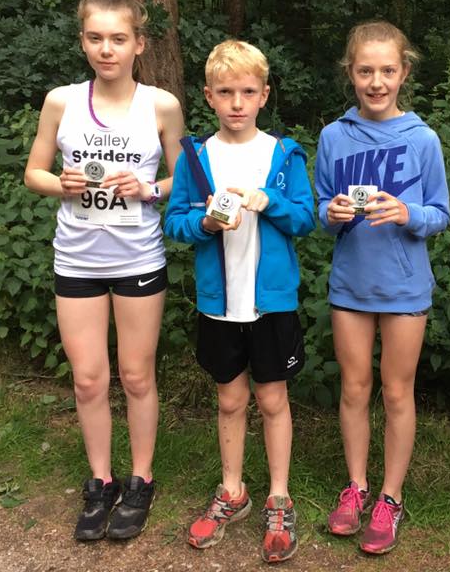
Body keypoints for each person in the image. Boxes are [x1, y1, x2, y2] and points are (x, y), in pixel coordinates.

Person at [24, 0, 183, 541]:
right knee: (89, 379)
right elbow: (34, 173)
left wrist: (147, 189)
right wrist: (60, 183)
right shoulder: (61, 101)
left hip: (138, 257)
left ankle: (141, 480)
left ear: (140, 44)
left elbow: (185, 181)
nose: (106, 49)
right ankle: (101, 481)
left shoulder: (161, 105)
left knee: (136, 376)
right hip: (76, 259)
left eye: (118, 39)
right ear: (83, 42)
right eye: (96, 38)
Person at [163, 40, 314, 564]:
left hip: (271, 304)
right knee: (230, 401)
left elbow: (305, 218)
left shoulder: (283, 154)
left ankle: (279, 497)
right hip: (219, 305)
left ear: (264, 95)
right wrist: (204, 223)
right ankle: (233, 491)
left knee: (272, 401)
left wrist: (270, 202)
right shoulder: (196, 156)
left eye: (248, 92)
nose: (236, 103)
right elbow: (175, 222)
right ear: (208, 96)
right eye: (225, 92)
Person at [315, 21, 450, 555]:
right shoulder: (333, 136)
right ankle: (356, 487)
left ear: (404, 72)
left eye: (387, 70)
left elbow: (439, 213)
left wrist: (407, 213)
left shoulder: (422, 139)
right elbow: (322, 209)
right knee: (354, 388)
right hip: (351, 284)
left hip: (405, 286)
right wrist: (331, 213)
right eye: (365, 71)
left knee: (397, 391)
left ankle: (391, 497)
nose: (376, 82)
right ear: (350, 73)